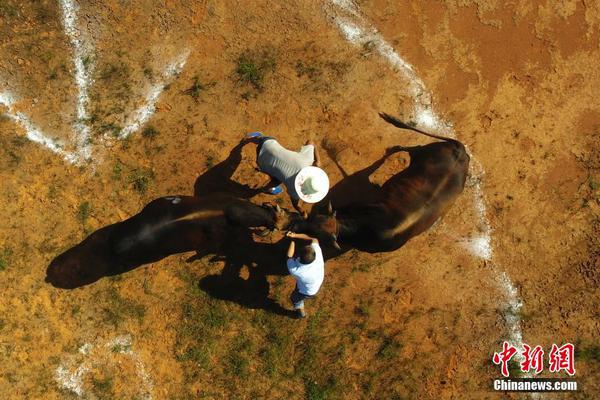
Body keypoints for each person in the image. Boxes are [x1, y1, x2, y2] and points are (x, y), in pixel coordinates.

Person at [246, 132, 329, 214]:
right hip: (261, 162)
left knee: (264, 141)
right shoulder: (295, 190)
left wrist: (318, 160)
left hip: (267, 143)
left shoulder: (308, 159)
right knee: (277, 180)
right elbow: (295, 204)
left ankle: (253, 138)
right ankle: (266, 188)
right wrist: (300, 210)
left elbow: (311, 142)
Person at [285, 231, 325, 318]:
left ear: (299, 256)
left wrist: (292, 240)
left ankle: (301, 314)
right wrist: (295, 235)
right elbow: (314, 239)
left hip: (306, 291)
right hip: (315, 282)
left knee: (295, 298)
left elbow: (289, 257)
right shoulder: (318, 255)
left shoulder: (297, 271)